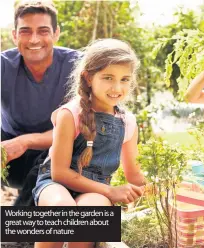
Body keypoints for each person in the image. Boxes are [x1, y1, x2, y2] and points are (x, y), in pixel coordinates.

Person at [32, 38, 145, 248]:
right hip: (55, 184)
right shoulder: (70, 114)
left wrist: (169, 185)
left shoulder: (127, 122)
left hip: (96, 191)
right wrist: (112, 191)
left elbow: (134, 175)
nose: (117, 87)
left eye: (125, 79)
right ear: (88, 77)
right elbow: (60, 173)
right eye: (108, 78)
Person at [1, 1, 80, 205]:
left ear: (56, 33)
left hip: (58, 157)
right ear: (15, 36)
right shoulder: (3, 66)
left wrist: (25, 141)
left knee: (71, 145)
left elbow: (81, 127)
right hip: (9, 156)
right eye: (25, 31)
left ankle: (20, 226)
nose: (34, 39)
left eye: (43, 31)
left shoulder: (78, 66)